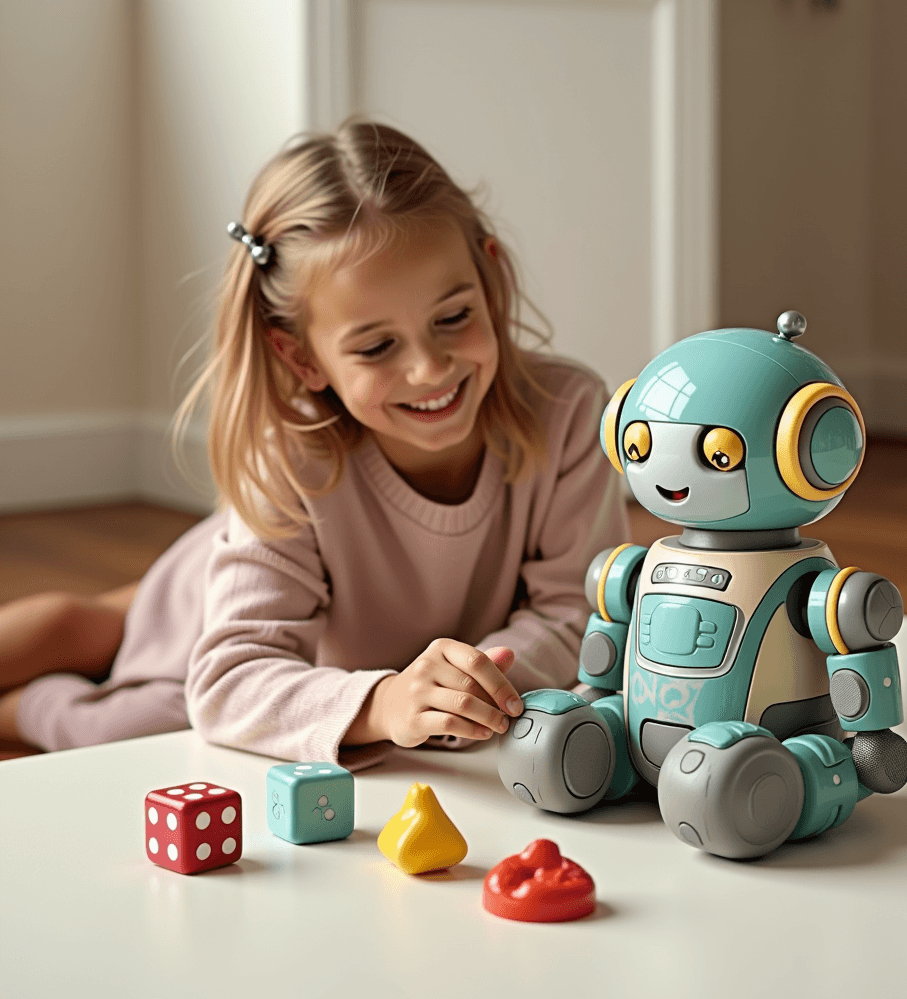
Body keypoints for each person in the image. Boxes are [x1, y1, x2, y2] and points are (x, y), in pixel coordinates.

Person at [0, 120, 629, 770]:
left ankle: (124, 615)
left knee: (95, 627)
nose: (430, 369)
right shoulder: (291, 456)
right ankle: (23, 705)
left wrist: (477, 684)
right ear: (302, 359)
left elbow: (576, 612)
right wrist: (385, 703)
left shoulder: (571, 411)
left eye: (453, 318)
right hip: (228, 600)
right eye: (377, 346)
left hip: (302, 592)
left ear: (489, 278)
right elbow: (226, 682)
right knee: (128, 712)